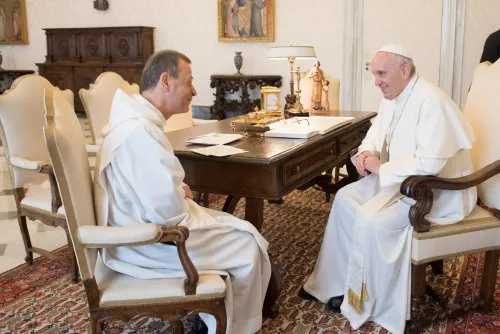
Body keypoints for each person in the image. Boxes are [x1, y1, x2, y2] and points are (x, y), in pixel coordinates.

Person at [300, 45, 477, 334]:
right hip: (402, 182)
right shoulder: (393, 96)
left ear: (403, 71)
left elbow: (430, 163)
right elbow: (373, 134)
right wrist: (364, 154)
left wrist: (380, 168)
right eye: (374, 74)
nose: (376, 81)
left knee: (375, 221)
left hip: (438, 192)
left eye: (381, 73)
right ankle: (334, 284)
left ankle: (376, 302)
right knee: (345, 197)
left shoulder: (431, 100)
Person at [94, 50, 272, 334]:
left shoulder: (138, 123)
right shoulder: (138, 132)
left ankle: (217, 317)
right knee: (249, 244)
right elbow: (168, 213)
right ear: (166, 81)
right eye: (188, 82)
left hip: (146, 228)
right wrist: (178, 194)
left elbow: (151, 191)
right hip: (144, 244)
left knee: (244, 231)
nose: (194, 90)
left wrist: (176, 189)